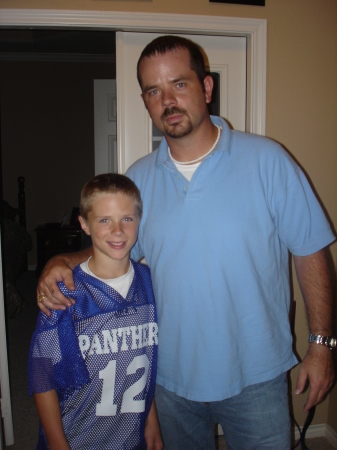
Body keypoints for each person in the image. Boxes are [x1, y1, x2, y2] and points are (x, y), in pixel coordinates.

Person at [36, 36, 336, 449]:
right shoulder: (137, 179)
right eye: (154, 91)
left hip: (257, 376)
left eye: (179, 84)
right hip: (170, 379)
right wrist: (65, 260)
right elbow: (114, 250)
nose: (168, 101)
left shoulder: (268, 161)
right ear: (145, 101)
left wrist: (321, 345)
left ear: (206, 87)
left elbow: (311, 251)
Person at [29, 173, 163, 450]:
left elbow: (141, 360)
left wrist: (151, 420)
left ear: (140, 220)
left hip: (130, 435)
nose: (118, 230)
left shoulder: (150, 283)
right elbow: (42, 375)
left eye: (127, 218)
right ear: (84, 224)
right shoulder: (65, 293)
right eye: (105, 220)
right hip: (77, 436)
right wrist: (57, 443)